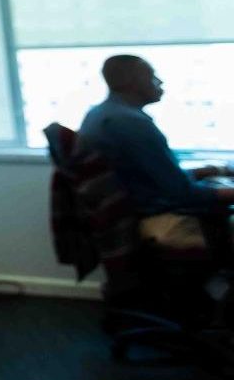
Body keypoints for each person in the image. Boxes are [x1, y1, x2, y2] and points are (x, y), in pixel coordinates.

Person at [77, 54, 234, 253]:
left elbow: (159, 179)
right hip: (154, 213)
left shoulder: (102, 113)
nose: (159, 81)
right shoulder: (131, 123)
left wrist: (214, 170)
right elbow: (181, 194)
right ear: (129, 82)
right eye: (151, 76)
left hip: (138, 205)